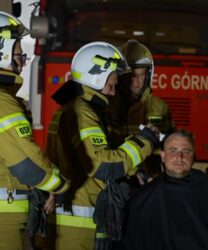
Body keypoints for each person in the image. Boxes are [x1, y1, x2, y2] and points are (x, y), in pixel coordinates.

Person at [45, 41, 160, 249]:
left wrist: (133, 171)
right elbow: (102, 164)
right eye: (111, 85)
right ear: (95, 79)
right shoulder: (84, 112)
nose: (114, 92)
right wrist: (144, 143)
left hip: (79, 216)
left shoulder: (82, 108)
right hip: (79, 221)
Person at [0, 11, 69, 250]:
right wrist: (58, 185)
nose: (25, 59)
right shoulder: (2, 103)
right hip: (4, 221)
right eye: (20, 52)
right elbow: (27, 165)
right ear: (3, 51)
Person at [121, 129, 208, 250]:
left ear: (193, 156)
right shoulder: (144, 198)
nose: (179, 156)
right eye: (173, 151)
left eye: (186, 151)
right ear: (162, 156)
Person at [106, 39, 174, 183]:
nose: (136, 82)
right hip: (117, 178)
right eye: (131, 76)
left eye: (141, 75)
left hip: (150, 179)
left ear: (148, 75)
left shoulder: (159, 106)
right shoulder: (108, 106)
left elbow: (170, 144)